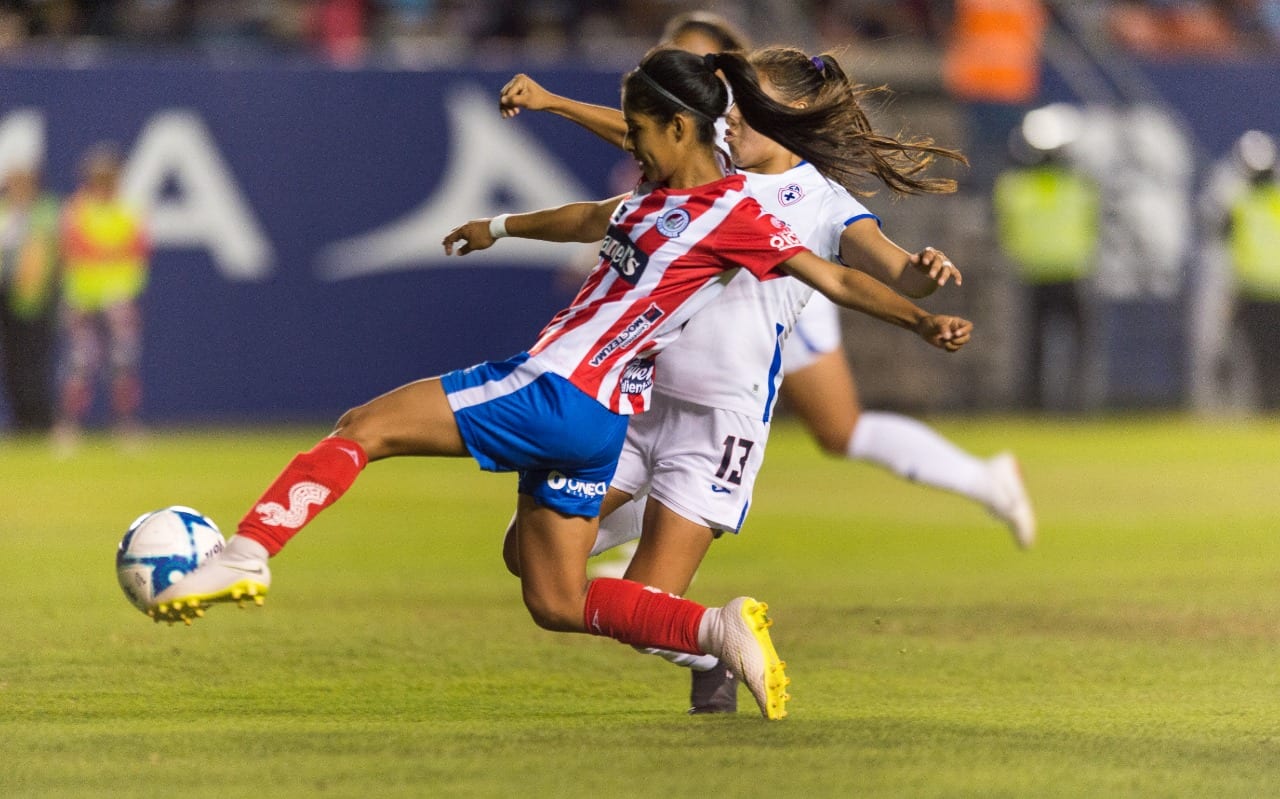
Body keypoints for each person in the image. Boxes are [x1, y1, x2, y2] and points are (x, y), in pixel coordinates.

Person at [149, 47, 972, 721]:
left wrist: (917, 315)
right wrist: (497, 226)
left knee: (365, 426)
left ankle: (245, 553)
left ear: (681, 128)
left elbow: (835, 278)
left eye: (644, 132)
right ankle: (714, 631)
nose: (635, 146)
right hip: (610, 417)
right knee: (551, 595)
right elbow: (587, 216)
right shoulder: (659, 201)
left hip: (558, 389)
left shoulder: (745, 214)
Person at [501, 16, 1036, 558]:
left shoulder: (821, 201)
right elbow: (639, 131)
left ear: (788, 111)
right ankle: (681, 599)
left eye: (742, 104)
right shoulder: (712, 162)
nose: (726, 116)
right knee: (527, 553)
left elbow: (888, 271)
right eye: (727, 102)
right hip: (643, 394)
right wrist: (555, 104)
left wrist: (924, 277)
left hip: (720, 410)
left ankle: (685, 585)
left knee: (835, 432)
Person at [993, 104, 1101, 411]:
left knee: (1034, 347)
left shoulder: (1013, 186)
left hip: (1033, 274)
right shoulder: (1080, 186)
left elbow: (1005, 228)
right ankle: (1078, 407)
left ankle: (1035, 406)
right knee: (1077, 347)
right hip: (1070, 273)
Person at [53, 143, 149, 452]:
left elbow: (138, 252)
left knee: (123, 363)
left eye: (109, 176)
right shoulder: (76, 210)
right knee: (79, 363)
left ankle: (125, 426)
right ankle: (67, 428)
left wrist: (121, 287)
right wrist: (108, 256)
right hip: (82, 300)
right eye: (99, 176)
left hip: (119, 299)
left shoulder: (129, 210)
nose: (105, 182)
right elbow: (73, 248)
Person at [0, 166, 60, 434]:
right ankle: (22, 420)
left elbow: (48, 253)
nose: (17, 190)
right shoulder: (4, 212)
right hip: (5, 296)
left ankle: (41, 420)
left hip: (35, 298)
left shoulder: (46, 210)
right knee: (12, 362)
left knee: (33, 361)